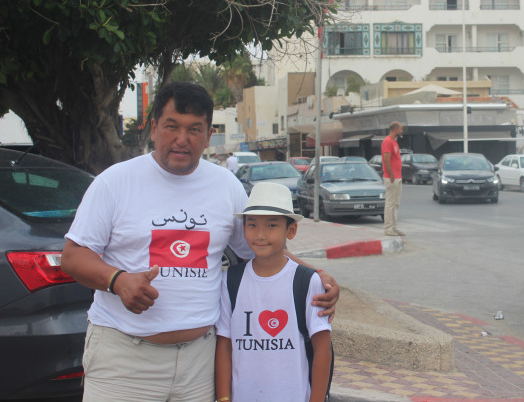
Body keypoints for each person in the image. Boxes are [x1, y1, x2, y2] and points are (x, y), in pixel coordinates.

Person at [61, 81, 338, 402]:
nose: (182, 139)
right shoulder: (114, 182)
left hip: (200, 364)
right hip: (124, 361)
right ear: (154, 128)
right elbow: (73, 256)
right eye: (172, 126)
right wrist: (118, 281)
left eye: (194, 129)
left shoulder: (226, 186)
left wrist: (316, 276)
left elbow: (262, 250)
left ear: (208, 136)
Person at [215, 182, 331, 402]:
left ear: (291, 230)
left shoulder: (306, 281)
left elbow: (322, 348)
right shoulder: (230, 280)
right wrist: (223, 398)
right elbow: (224, 345)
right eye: (252, 224)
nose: (260, 235)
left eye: (271, 225)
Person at [381, 121, 405, 237]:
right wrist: (391, 175)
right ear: (395, 129)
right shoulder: (387, 141)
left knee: (396, 203)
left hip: (398, 177)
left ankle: (394, 228)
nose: (401, 131)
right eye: (400, 129)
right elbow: (386, 159)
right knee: (390, 203)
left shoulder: (395, 142)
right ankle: (388, 228)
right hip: (391, 177)